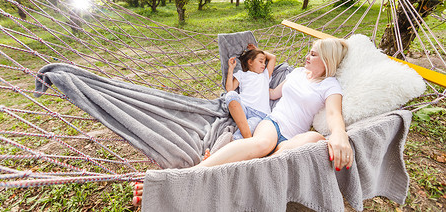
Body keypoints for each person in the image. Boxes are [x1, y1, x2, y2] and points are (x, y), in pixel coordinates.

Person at [132, 38, 353, 206]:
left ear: (327, 60)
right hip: (273, 124)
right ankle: (187, 177)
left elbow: (334, 114)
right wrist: (248, 84)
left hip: (292, 139)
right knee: (262, 145)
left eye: (313, 55)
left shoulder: (330, 85)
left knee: (315, 139)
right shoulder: (296, 73)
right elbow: (273, 94)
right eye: (309, 52)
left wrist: (339, 134)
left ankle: (232, 173)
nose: (307, 56)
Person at [225, 43, 276, 140]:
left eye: (265, 62)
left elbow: (273, 58)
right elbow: (229, 89)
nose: (263, 64)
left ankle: (243, 141)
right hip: (243, 108)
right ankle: (248, 139)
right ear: (250, 62)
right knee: (231, 95)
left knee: (239, 136)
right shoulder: (241, 74)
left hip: (259, 114)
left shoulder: (265, 75)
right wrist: (231, 69)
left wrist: (256, 50)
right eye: (260, 61)